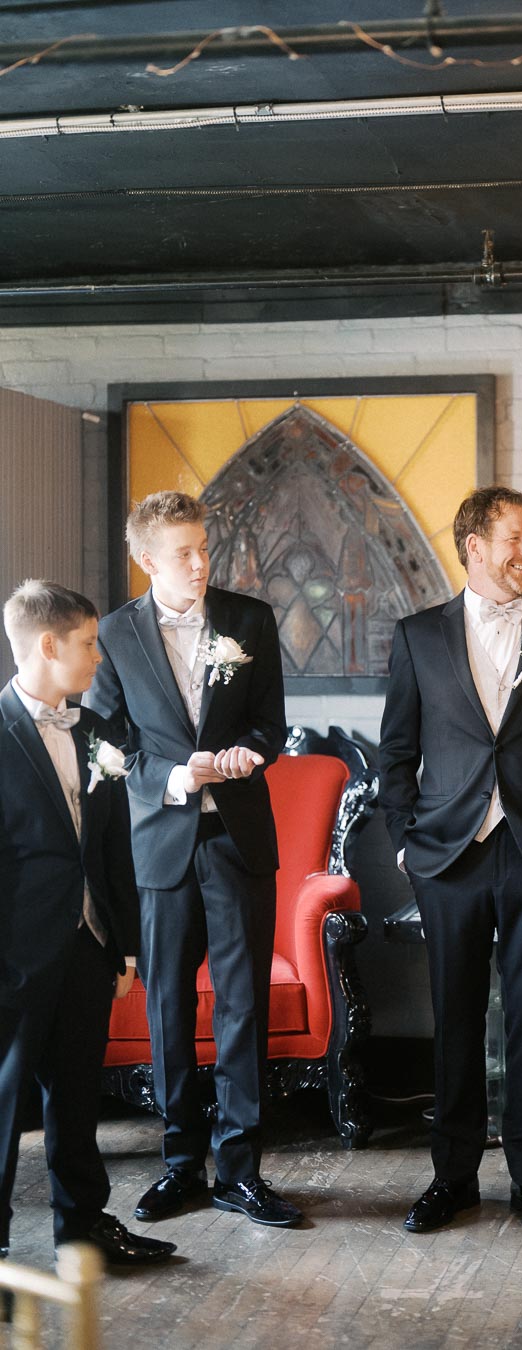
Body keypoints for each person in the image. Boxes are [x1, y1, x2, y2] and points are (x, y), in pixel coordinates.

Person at [379, 485, 522, 1238]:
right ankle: (452, 1177)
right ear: (475, 546)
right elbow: (396, 754)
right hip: (449, 856)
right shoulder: (418, 636)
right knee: (454, 1013)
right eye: (516, 538)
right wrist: (407, 841)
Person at [84, 491, 300, 1229]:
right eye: (184, 553)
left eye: (204, 547)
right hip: (161, 839)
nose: (201, 562)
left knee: (243, 1005)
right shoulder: (114, 634)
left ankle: (240, 1171)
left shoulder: (250, 619)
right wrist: (175, 776)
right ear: (147, 560)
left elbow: (272, 722)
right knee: (169, 1006)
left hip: (238, 838)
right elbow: (106, 743)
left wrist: (250, 754)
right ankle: (180, 1166)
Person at [0, 580, 175, 1269]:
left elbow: (112, 848)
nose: (98, 657)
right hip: (15, 957)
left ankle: (83, 1231)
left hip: (87, 946)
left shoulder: (97, 730)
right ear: (48, 645)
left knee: (77, 1100)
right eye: (88, 644)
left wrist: (123, 948)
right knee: (5, 1107)